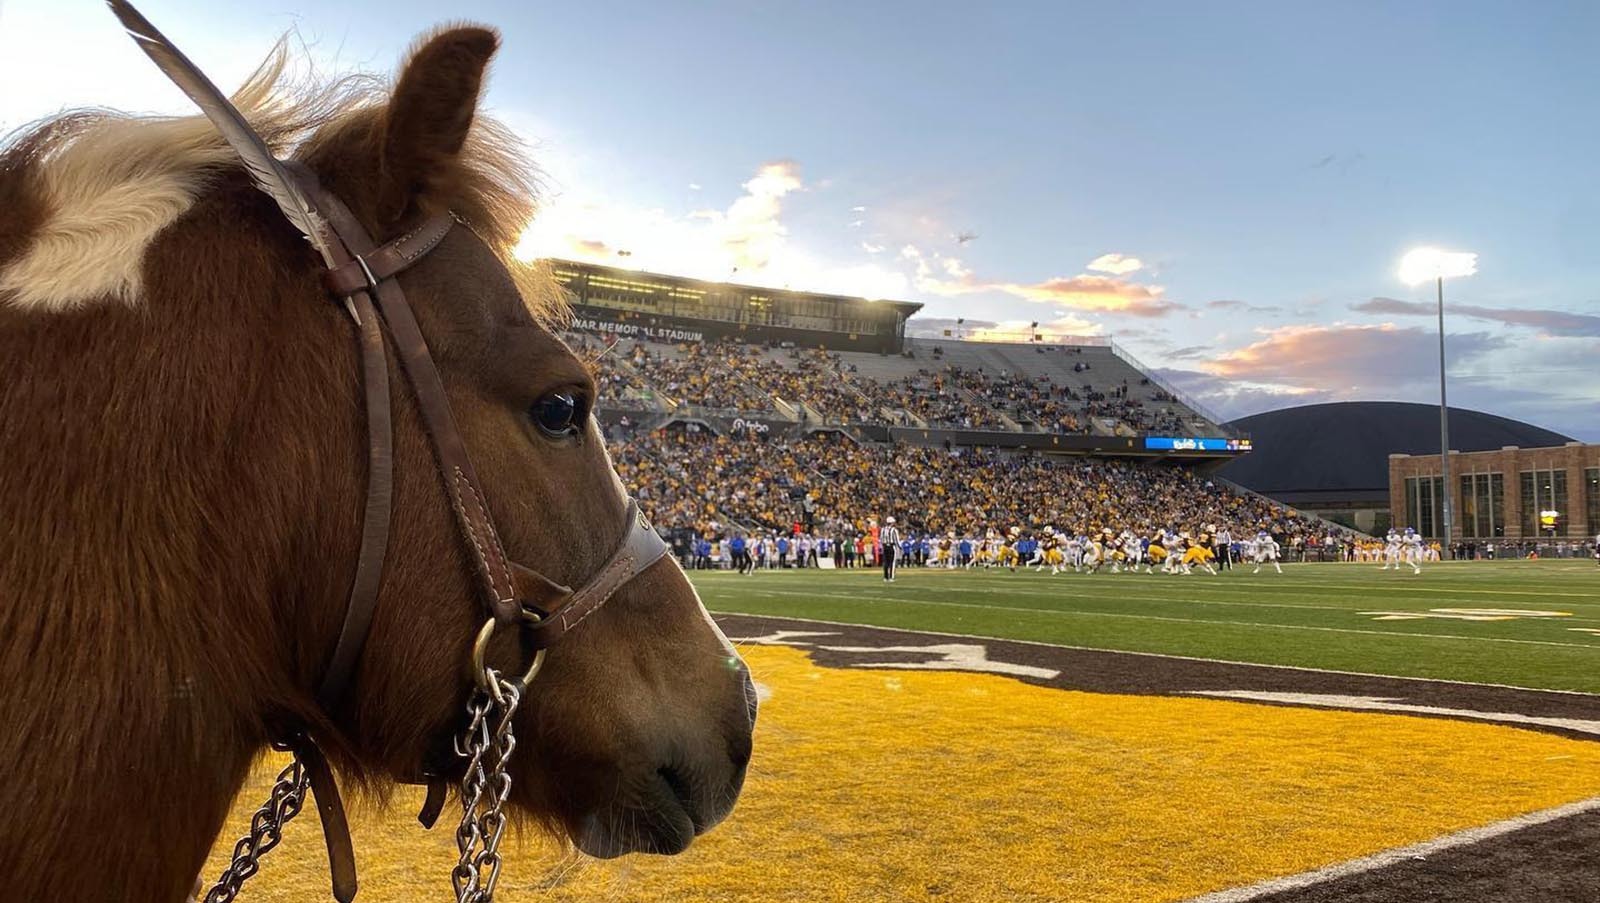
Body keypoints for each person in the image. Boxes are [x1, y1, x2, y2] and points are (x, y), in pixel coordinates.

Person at [880, 516, 901, 582]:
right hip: (891, 547)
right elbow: (897, 540)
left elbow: (881, 539)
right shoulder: (894, 530)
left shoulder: (883, 529)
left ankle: (885, 577)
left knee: (886, 562)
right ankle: (891, 577)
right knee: (892, 562)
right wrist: (900, 547)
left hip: (885, 546)